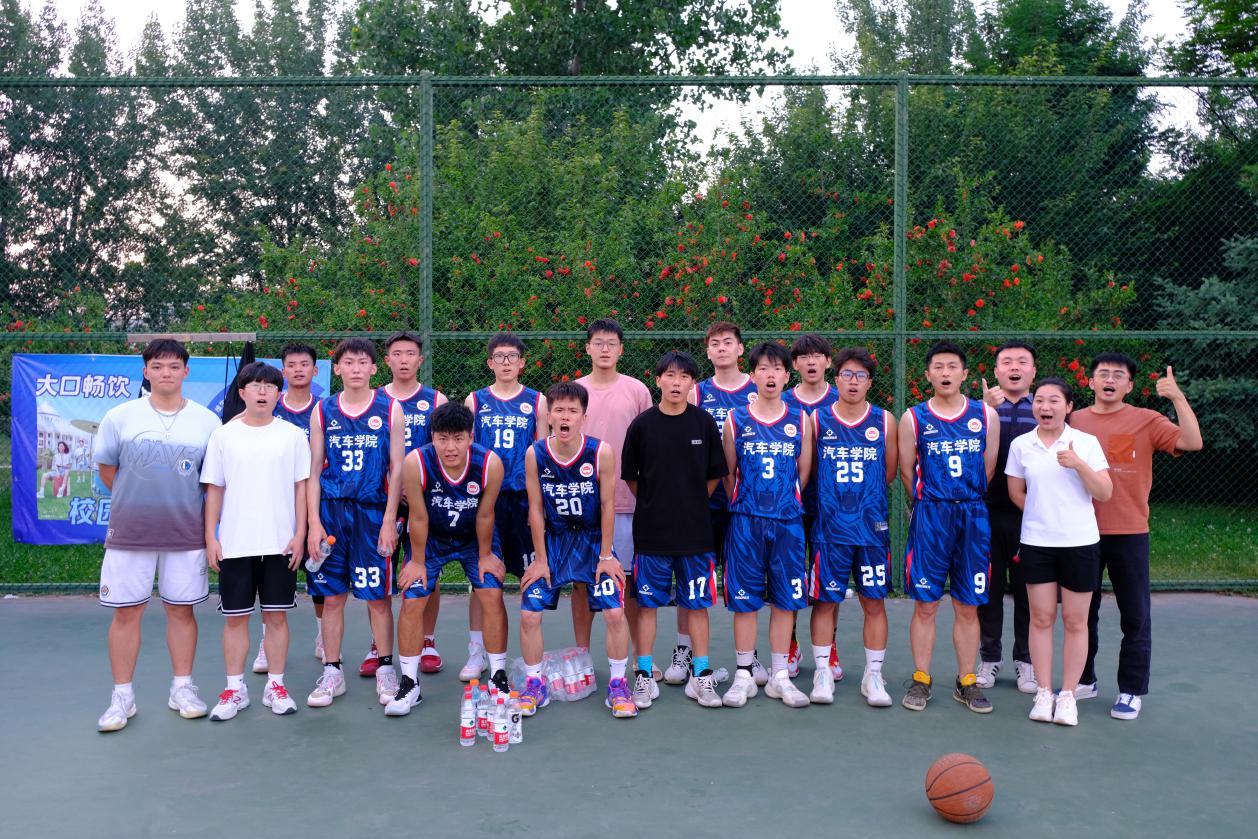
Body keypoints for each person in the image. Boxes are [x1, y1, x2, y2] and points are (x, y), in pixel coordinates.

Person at [94, 339, 222, 732]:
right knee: (126, 612)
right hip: (130, 533)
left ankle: (182, 689)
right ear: (145, 371)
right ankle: (122, 697)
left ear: (186, 371)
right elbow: (108, 470)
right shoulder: (120, 417)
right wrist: (140, 501)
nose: (166, 373)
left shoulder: (207, 422)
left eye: (173, 366)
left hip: (185, 534)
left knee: (181, 611)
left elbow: (210, 482)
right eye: (157, 366)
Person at [1072, 353, 1203, 720]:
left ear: (1129, 385)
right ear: (1090, 382)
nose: (1110, 380)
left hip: (1129, 532)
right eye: (1103, 374)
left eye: (1119, 375)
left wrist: (1177, 397)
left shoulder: (1147, 420)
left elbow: (1192, 442)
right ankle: (1084, 679)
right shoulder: (1073, 421)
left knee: (1135, 616)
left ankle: (1130, 690)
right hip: (1080, 532)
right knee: (1081, 614)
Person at [517, 382, 636, 718]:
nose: (565, 417)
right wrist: (540, 559)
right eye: (559, 410)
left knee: (614, 612)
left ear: (584, 417)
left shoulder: (600, 452)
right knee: (529, 614)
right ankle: (534, 684)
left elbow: (608, 505)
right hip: (554, 541)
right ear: (549, 416)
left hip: (592, 540)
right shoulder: (536, 454)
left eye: (572, 411)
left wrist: (606, 555)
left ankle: (618, 684)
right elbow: (535, 508)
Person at [201, 362, 310, 721]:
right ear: (242, 392)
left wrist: (300, 534)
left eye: (269, 386)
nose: (262, 392)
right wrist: (211, 537)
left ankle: (275, 686)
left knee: (276, 617)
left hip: (280, 544)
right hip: (235, 544)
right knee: (236, 620)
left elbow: (301, 488)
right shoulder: (223, 436)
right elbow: (215, 489)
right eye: (255, 385)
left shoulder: (292, 436)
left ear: (279, 394)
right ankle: (235, 689)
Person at [898, 341, 999, 714]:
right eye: (938, 367)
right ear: (927, 375)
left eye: (952, 366)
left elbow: (988, 468)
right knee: (926, 604)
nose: (945, 373)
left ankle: (967, 680)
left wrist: (963, 498)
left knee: (968, 605)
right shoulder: (914, 417)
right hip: (931, 515)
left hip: (972, 515)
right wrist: (932, 502)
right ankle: (921, 678)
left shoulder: (985, 415)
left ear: (964, 373)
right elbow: (906, 471)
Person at [623, 351, 728, 709]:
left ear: (692, 383)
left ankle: (701, 676)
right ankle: (643, 675)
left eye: (684, 376)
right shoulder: (642, 426)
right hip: (652, 535)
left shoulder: (704, 423)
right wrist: (658, 504)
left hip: (695, 534)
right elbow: (632, 480)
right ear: (658, 381)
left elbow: (714, 476)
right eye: (670, 375)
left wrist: (691, 502)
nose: (676, 382)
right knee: (647, 606)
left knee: (697, 606)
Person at [1005, 377, 1112, 726]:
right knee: (1040, 618)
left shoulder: (1086, 443)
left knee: (1076, 621)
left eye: (1054, 400)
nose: (1045, 407)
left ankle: (1067, 696)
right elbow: (1016, 493)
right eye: (1039, 400)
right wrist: (1043, 515)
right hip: (1036, 543)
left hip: (1080, 543)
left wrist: (1079, 464)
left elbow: (1104, 492)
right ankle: (1044, 692)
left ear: (1068, 407)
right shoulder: (1021, 445)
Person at [390, 403, 509, 715]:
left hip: (473, 538)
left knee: (491, 593)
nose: (450, 447)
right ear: (432, 437)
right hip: (431, 537)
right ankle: (409, 682)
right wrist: (417, 561)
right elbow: (417, 516)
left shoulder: (489, 463)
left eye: (458, 438)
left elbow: (485, 514)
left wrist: (486, 555)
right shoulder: (416, 462)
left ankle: (498, 675)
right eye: (443, 438)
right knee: (413, 598)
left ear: (471, 437)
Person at [305, 338, 405, 708]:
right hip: (332, 513)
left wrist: (390, 519)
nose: (356, 368)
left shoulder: (390, 408)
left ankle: (385, 667)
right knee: (332, 597)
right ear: (338, 369)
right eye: (349, 362)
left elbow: (398, 469)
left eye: (363, 362)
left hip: (373, 513)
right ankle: (332, 671)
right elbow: (314, 471)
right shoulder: (323, 410)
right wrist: (314, 523)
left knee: (377, 597)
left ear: (374, 368)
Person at [720, 341, 814, 709]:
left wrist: (781, 501)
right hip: (746, 521)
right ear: (753, 375)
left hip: (787, 522)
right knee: (745, 601)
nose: (770, 375)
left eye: (777, 368)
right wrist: (749, 501)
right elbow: (729, 473)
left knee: (785, 599)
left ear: (787, 376)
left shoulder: (800, 420)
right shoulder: (736, 419)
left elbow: (802, 473)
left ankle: (779, 676)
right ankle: (744, 673)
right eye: (763, 368)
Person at [810, 346, 897, 707]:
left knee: (874, 602)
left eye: (861, 375)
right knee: (825, 601)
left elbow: (888, 473)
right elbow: (808, 470)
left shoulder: (885, 421)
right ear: (836, 379)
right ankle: (821, 672)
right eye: (847, 374)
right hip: (830, 529)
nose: (853, 381)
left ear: (870, 382)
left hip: (870, 529)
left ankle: (873, 676)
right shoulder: (817, 420)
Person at [462, 332, 547, 682]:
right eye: (500, 356)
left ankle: (531, 658)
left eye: (512, 356)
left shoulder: (537, 400)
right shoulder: (476, 400)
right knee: (483, 581)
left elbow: (542, 453)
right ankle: (476, 652)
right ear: (490, 363)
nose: (506, 362)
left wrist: (539, 503)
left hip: (523, 500)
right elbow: (468, 452)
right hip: (488, 501)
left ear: (522, 362)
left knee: (528, 577)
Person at [575, 318, 653, 679]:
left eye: (611, 343)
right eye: (598, 343)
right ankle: (582, 660)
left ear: (621, 350)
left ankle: (639, 660)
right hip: (581, 506)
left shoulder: (637, 390)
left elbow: (648, 446)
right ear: (587, 348)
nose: (604, 349)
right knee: (582, 584)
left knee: (629, 584)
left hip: (628, 504)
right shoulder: (575, 391)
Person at [689, 321, 764, 684]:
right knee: (694, 578)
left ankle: (750, 658)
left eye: (728, 342)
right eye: (715, 343)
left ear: (740, 349)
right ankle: (686, 653)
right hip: (704, 499)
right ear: (708, 352)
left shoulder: (757, 389)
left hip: (746, 501)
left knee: (746, 579)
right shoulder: (697, 392)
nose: (721, 348)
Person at [382, 331, 448, 678]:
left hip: (425, 499)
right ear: (387, 360)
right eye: (397, 353)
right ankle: (379, 645)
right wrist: (394, 487)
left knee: (427, 570)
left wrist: (416, 485)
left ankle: (428, 640)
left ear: (420, 360)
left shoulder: (436, 400)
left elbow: (444, 450)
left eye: (410, 353)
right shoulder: (375, 399)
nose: (404, 359)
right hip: (384, 500)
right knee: (382, 571)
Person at [253, 342, 320, 673]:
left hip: (317, 501)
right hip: (276, 503)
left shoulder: (324, 409)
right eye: (291, 365)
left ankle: (323, 637)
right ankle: (266, 644)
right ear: (282, 371)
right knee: (271, 577)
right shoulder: (269, 408)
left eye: (304, 364)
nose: (298, 370)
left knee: (321, 576)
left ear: (315, 370)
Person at [977, 340, 1039, 693]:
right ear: (997, 371)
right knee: (989, 589)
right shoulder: (979, 410)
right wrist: (984, 410)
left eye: (1022, 362)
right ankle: (989, 658)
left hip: (1030, 516)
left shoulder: (1045, 408)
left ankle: (1026, 661)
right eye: (1007, 362)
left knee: (1029, 591)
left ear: (1033, 371)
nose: (1015, 367)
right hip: (985, 513)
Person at [782, 333, 842, 680]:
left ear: (828, 362)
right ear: (794, 365)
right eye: (804, 357)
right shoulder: (783, 401)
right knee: (789, 578)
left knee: (828, 582)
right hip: (787, 505)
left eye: (817, 356)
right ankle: (790, 645)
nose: (811, 362)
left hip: (831, 507)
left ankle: (828, 646)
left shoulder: (841, 399)